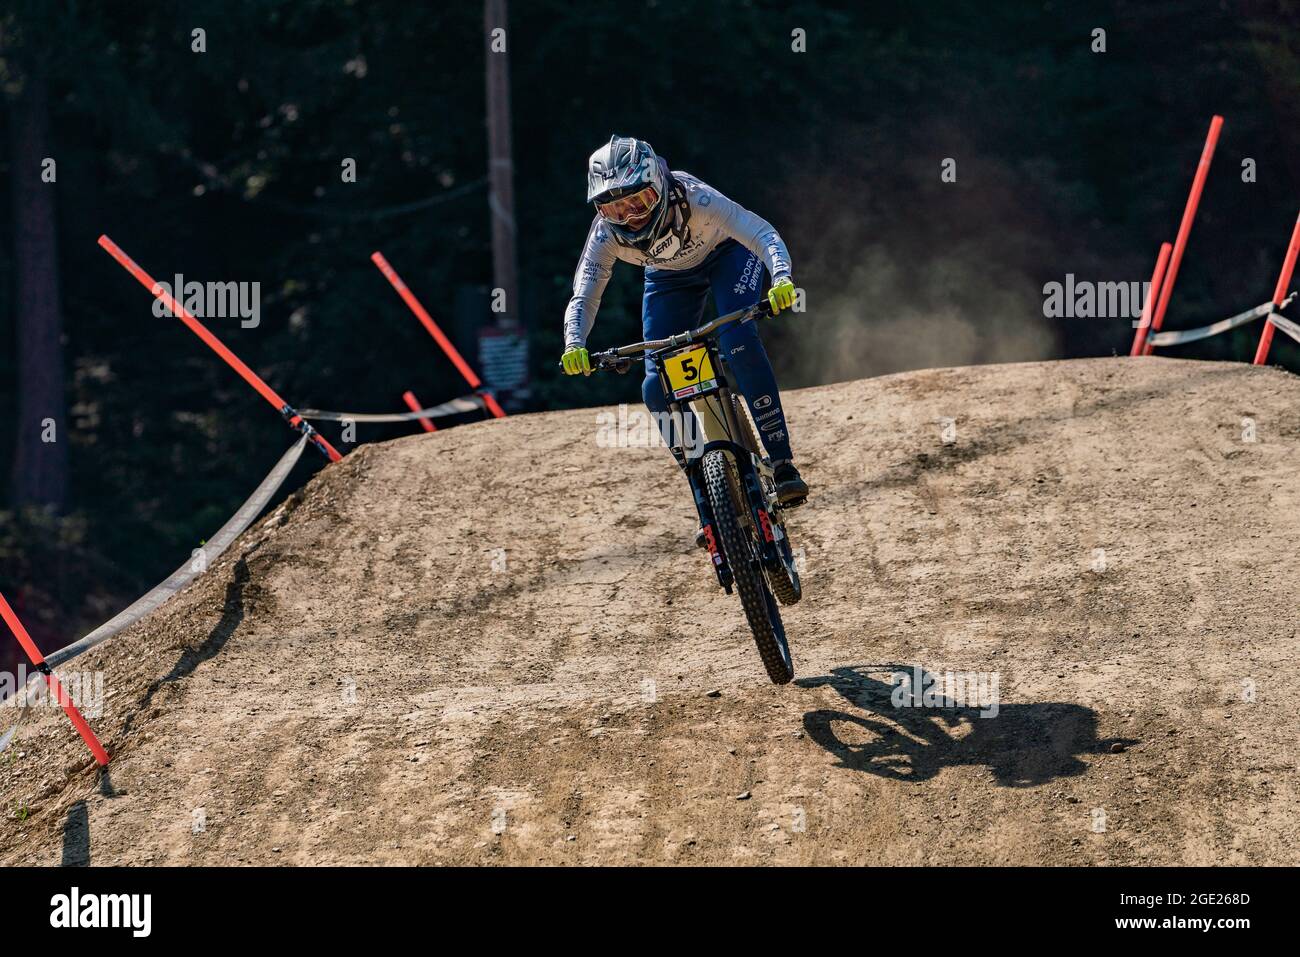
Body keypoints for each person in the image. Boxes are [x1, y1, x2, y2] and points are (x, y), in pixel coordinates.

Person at [561, 134, 808, 513]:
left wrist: (782, 278)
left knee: (737, 341)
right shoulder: (604, 235)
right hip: (668, 277)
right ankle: (705, 497)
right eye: (615, 210)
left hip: (728, 255)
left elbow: (761, 233)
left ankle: (781, 463)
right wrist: (574, 342)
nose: (630, 217)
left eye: (637, 202)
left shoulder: (698, 199)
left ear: (657, 187)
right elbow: (585, 293)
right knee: (654, 387)